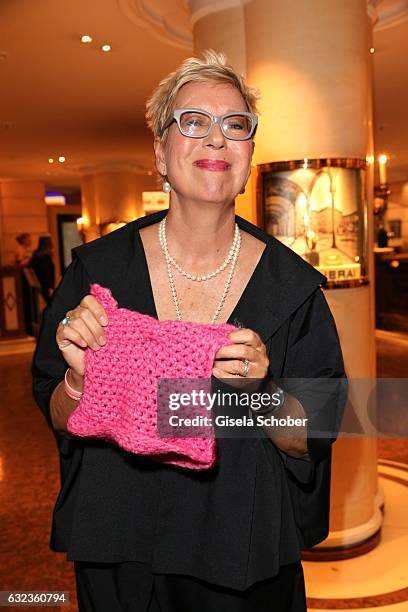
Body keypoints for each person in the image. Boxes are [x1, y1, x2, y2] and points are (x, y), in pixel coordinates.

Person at [31, 51, 347, 612]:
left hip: (242, 554)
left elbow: (315, 432)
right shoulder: (98, 272)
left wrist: (261, 397)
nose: (216, 139)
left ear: (249, 155)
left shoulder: (292, 288)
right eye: (193, 122)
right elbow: (58, 411)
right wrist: (79, 383)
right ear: (160, 150)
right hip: (120, 546)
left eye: (236, 125)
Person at [31, 235, 55, 304]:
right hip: (45, 287)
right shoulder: (43, 258)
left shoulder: (37, 256)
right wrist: (49, 287)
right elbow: (46, 273)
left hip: (39, 286)